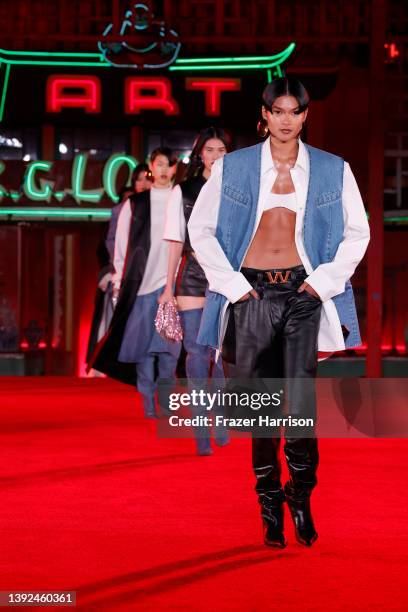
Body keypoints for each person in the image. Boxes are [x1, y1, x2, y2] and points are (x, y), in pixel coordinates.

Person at [188, 77, 370, 547]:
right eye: (279, 111)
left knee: (301, 407)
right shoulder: (234, 168)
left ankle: (300, 495)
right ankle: (269, 503)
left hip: (302, 295)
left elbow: (359, 233)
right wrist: (232, 286)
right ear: (264, 115)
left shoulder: (333, 170)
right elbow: (200, 230)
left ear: (306, 116)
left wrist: (321, 284)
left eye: (295, 111)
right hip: (250, 295)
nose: (287, 120)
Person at [90, 148, 180, 418]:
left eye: (169, 165)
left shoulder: (182, 200)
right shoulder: (136, 203)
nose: (164, 169)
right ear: (152, 166)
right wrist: (118, 278)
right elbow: (120, 244)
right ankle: (148, 404)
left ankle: (165, 403)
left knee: (169, 350)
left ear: (175, 169)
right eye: (159, 164)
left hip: (172, 285)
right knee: (144, 350)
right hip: (141, 284)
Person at [160, 127, 230, 455]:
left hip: (229, 277)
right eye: (211, 149)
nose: (216, 155)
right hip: (192, 277)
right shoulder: (183, 191)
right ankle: (202, 428)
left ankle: (220, 417)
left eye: (222, 150)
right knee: (197, 353)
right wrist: (165, 287)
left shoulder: (240, 190)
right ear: (200, 154)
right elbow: (174, 241)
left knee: (222, 353)